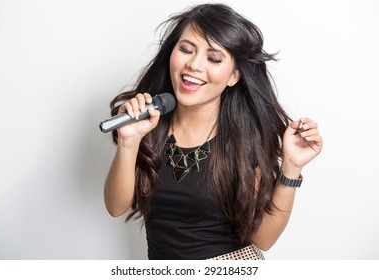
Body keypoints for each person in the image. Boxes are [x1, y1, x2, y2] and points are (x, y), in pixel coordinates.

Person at [103, 3, 322, 260]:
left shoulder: (243, 139)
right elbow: (116, 207)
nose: (194, 64)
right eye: (186, 49)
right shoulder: (149, 126)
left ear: (233, 76)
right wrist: (129, 142)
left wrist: (291, 168)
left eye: (214, 58)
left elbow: (262, 239)